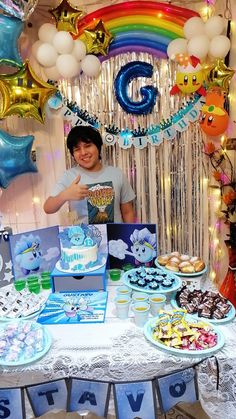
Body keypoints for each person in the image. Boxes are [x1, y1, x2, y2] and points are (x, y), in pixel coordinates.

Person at [43, 125, 135, 224]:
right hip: (83, 238)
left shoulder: (117, 174)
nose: (83, 152)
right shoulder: (69, 176)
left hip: (115, 238)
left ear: (98, 147)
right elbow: (48, 208)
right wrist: (65, 195)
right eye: (77, 149)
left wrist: (129, 236)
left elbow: (127, 212)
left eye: (88, 146)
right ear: (73, 154)